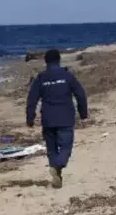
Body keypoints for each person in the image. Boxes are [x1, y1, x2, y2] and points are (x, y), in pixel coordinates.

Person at [26, 49, 88, 189]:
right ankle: (58, 166)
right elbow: (80, 94)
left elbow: (32, 99)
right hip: (65, 118)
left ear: (46, 61)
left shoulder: (41, 78)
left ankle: (56, 172)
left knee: (51, 149)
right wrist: (83, 113)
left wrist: (30, 118)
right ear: (59, 60)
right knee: (66, 146)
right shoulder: (67, 76)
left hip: (48, 119)